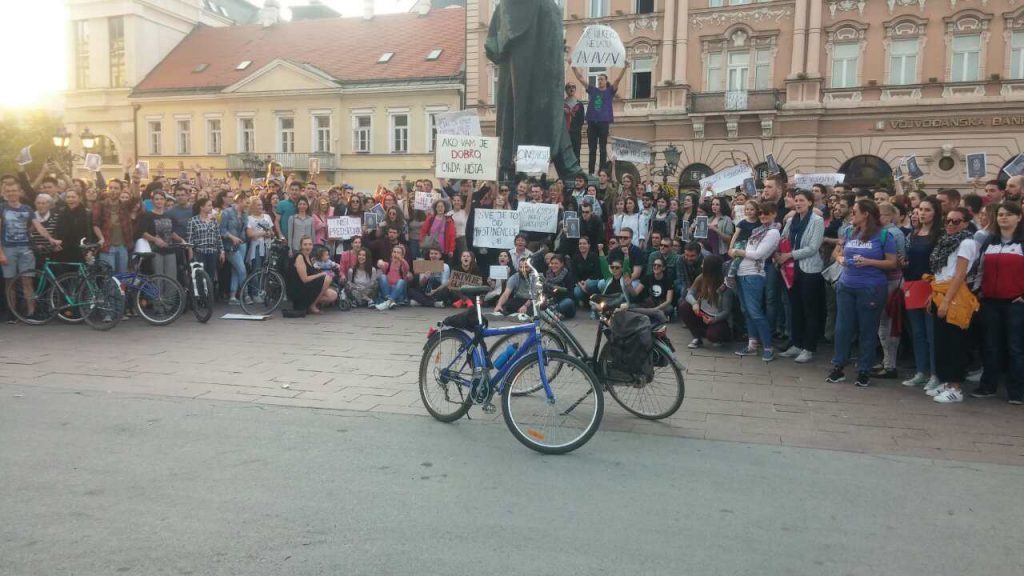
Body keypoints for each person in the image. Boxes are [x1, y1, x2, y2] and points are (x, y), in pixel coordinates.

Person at [827, 200, 898, 387]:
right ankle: (838, 366)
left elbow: (892, 262)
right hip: (847, 285)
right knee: (843, 328)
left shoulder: (884, 236)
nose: (852, 214)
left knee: (867, 328)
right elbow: (837, 251)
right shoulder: (850, 231)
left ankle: (864, 369)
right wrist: (840, 258)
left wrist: (869, 262)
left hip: (871, 287)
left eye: (855, 211)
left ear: (866, 213)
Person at [926, 207, 981, 404]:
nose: (950, 224)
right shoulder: (945, 241)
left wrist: (947, 300)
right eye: (948, 221)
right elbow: (941, 271)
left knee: (955, 342)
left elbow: (959, 274)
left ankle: (956, 386)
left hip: (955, 294)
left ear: (966, 223)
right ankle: (948, 381)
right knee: (942, 341)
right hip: (939, 290)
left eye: (956, 221)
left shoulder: (966, 242)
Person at [973, 201, 1024, 404]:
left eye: (1009, 214)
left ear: (1019, 217)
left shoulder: (1021, 243)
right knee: (990, 346)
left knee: (1015, 348)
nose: (1003, 217)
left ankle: (1016, 392)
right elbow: (980, 268)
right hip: (990, 302)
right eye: (1001, 214)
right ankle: (988, 386)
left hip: (1015, 303)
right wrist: (977, 291)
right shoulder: (990, 241)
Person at [777, 190, 825, 364]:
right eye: (796, 200)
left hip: (809, 270)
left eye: (802, 200)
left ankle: (808, 348)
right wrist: (779, 253)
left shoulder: (817, 221)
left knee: (810, 310)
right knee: (795, 308)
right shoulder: (791, 220)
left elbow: (813, 247)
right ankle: (796, 343)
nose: (798, 203)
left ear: (810, 202)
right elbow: (783, 238)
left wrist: (789, 255)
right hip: (791, 270)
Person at [730, 201, 781, 362]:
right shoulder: (759, 230)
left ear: (774, 213)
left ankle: (768, 347)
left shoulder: (773, 232)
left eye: (766, 213)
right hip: (742, 272)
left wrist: (738, 251)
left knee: (756, 313)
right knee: (747, 311)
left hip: (754, 274)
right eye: (761, 213)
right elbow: (751, 250)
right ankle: (752, 345)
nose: (763, 216)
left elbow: (758, 254)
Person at [902, 197, 943, 389]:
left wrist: (935, 291)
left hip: (931, 286)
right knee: (917, 333)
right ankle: (921, 371)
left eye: (927, 209)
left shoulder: (939, 235)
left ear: (935, 212)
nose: (922, 213)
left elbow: (940, 265)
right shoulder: (914, 233)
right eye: (920, 209)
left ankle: (935, 373)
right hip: (912, 284)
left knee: (931, 333)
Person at [569, 60, 628, 175]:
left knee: (602, 148)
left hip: (603, 122)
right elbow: (581, 79)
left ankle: (602, 170)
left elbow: (617, 80)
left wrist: (624, 68)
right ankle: (591, 172)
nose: (599, 81)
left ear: (606, 81)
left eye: (601, 79)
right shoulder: (593, 90)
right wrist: (574, 67)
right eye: (598, 79)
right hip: (592, 122)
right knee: (592, 149)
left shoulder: (610, 91)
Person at [872, 202, 907, 379]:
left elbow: (897, 260)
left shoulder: (892, 233)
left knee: (888, 324)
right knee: (884, 324)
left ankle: (890, 364)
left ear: (887, 216)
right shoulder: (887, 232)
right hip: (885, 281)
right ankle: (887, 361)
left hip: (891, 282)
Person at [681, 255, 733, 348]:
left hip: (718, 319)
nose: (701, 266)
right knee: (684, 306)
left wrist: (714, 319)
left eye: (703, 264)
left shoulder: (724, 285)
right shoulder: (701, 277)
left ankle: (719, 336)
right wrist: (694, 303)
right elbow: (689, 294)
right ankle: (697, 337)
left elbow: (726, 311)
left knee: (713, 336)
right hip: (703, 314)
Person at [291, 237, 337, 314]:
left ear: (312, 246)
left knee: (333, 295)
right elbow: (305, 279)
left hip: (309, 285)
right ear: (301, 246)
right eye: (305, 244)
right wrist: (321, 274)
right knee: (327, 278)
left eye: (310, 244)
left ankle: (308, 303)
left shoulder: (310, 257)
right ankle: (312, 305)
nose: (308, 246)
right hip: (301, 287)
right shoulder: (300, 257)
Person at [54, 189, 101, 263]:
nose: (70, 199)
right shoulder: (61, 212)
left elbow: (91, 234)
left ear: (79, 198)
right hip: (64, 249)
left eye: (73, 197)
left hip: (82, 250)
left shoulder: (87, 213)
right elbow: (56, 229)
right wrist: (56, 243)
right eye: (68, 197)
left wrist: (90, 250)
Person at [139, 190, 177, 278]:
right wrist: (155, 239)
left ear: (165, 201)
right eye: (156, 199)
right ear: (152, 201)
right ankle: (158, 293)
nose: (159, 201)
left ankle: (169, 293)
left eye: (161, 199)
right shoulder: (147, 215)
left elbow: (172, 232)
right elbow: (142, 233)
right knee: (157, 278)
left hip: (170, 249)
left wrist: (181, 240)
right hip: (155, 251)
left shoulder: (169, 215)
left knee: (171, 278)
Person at [244, 197, 275, 302]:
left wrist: (268, 234)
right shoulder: (249, 218)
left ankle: (264, 292)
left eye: (261, 205)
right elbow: (250, 234)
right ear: (252, 206)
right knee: (256, 269)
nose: (260, 207)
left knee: (266, 270)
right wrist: (263, 233)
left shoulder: (267, 217)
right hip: (256, 247)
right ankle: (255, 293)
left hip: (267, 246)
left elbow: (271, 232)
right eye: (258, 205)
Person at [186, 197, 224, 283]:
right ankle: (201, 295)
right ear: (201, 207)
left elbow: (218, 237)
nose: (211, 207)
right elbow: (189, 240)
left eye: (211, 205)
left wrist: (222, 251)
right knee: (200, 277)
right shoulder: (193, 221)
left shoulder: (213, 220)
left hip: (212, 252)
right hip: (199, 252)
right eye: (209, 205)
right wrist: (191, 255)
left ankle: (209, 295)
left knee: (210, 277)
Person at [220, 193, 248, 305]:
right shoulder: (227, 212)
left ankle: (232, 296)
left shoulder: (245, 214)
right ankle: (245, 294)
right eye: (246, 202)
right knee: (242, 269)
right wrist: (232, 237)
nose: (248, 205)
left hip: (242, 244)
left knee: (236, 270)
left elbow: (244, 230)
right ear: (240, 200)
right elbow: (221, 230)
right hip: (230, 246)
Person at [375, 245, 410, 310]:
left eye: (398, 252)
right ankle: (390, 301)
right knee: (382, 276)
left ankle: (388, 302)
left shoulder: (403, 266)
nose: (395, 254)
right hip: (387, 293)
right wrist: (380, 262)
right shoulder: (388, 265)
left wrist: (400, 259)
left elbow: (407, 267)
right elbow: (380, 264)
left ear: (402, 255)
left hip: (398, 294)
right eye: (394, 252)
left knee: (401, 281)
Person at [542, 253, 576, 319]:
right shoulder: (548, 274)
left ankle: (552, 313)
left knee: (568, 302)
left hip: (562, 302)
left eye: (556, 263)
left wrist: (557, 290)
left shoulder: (568, 275)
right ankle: (555, 314)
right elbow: (545, 291)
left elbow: (570, 294)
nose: (553, 265)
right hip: (551, 302)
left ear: (562, 264)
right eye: (552, 263)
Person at [564, 82, 585, 163]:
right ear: (566, 90)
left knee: (576, 154)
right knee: (565, 154)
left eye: (573, 87)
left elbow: (581, 120)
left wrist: (576, 129)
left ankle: (577, 174)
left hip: (576, 133)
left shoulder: (579, 104)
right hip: (565, 134)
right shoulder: (562, 104)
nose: (571, 88)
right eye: (569, 87)